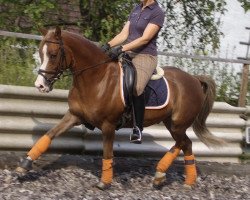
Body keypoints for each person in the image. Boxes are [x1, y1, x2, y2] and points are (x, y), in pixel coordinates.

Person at [102, 0, 165, 144]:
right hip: (128, 53)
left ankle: (137, 128)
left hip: (145, 56)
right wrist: (108, 45)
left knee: (137, 87)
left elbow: (145, 39)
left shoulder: (157, 13)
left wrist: (121, 49)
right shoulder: (136, 8)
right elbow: (124, 34)